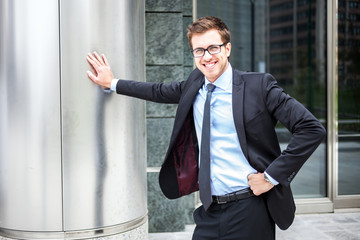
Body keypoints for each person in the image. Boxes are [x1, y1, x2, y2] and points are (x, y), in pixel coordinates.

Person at [86, 16, 326, 240]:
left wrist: (271, 177)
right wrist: (112, 83)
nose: (206, 56)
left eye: (213, 48)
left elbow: (311, 129)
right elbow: (157, 90)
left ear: (227, 49)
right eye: (199, 50)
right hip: (209, 210)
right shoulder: (195, 84)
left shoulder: (259, 86)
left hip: (251, 208)